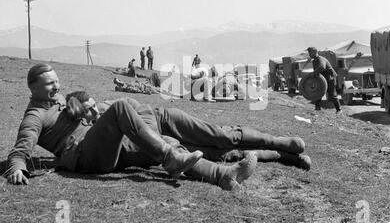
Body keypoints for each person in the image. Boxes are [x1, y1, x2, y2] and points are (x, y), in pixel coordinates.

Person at [4, 64, 204, 187]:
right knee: (120, 108)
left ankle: (221, 172)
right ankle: (170, 159)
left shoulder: (57, 99)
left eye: (57, 81)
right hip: (84, 157)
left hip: (97, 147)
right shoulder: (34, 116)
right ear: (33, 87)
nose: (56, 87)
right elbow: (21, 148)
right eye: (50, 84)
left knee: (165, 140)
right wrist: (17, 168)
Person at [75, 92, 312, 175]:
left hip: (164, 119)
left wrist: (146, 129)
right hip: (159, 141)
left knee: (219, 136)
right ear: (79, 115)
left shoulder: (110, 108)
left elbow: (135, 106)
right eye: (88, 111)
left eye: (94, 105)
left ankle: (277, 141)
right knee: (215, 154)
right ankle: (282, 156)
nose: (95, 111)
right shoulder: (93, 137)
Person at [307, 47, 341, 113]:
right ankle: (317, 109)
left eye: (310, 52)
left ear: (314, 51)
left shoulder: (320, 59)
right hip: (323, 79)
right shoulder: (314, 61)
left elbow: (322, 67)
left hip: (330, 78)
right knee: (318, 92)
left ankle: (339, 110)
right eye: (309, 53)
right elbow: (317, 72)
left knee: (332, 95)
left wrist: (313, 73)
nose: (309, 54)